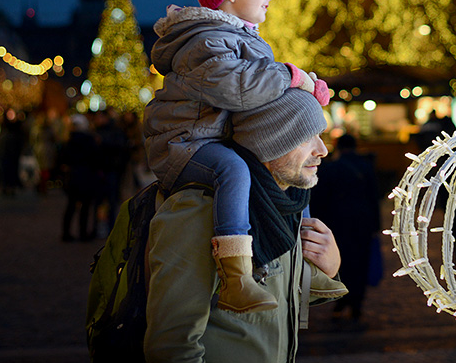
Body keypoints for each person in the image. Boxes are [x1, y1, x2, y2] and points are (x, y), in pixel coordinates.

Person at [144, 0, 329, 313]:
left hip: (211, 135)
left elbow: (260, 96)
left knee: (294, 181)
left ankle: (309, 267)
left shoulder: (238, 37)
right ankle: (236, 275)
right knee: (235, 171)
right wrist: (293, 76)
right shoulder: (206, 41)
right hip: (185, 144)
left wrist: (308, 89)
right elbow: (238, 90)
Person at [145, 88, 345, 362]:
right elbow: (171, 347)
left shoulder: (286, 205)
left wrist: (329, 267)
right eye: (306, 137)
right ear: (269, 141)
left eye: (320, 136)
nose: (322, 150)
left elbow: (278, 304)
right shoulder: (201, 211)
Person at [310, 134, 380, 326]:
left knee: (341, 263)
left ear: (338, 147)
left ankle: (341, 301)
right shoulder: (365, 166)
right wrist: (376, 226)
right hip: (362, 223)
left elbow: (320, 199)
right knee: (360, 262)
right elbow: (373, 197)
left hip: (337, 224)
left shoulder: (331, 168)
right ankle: (357, 302)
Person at [59, 114, 99, 242]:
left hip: (73, 175)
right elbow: (95, 158)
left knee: (71, 205)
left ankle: (66, 233)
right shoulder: (90, 140)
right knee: (85, 206)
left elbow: (63, 158)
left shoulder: (69, 141)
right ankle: (83, 233)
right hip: (87, 175)